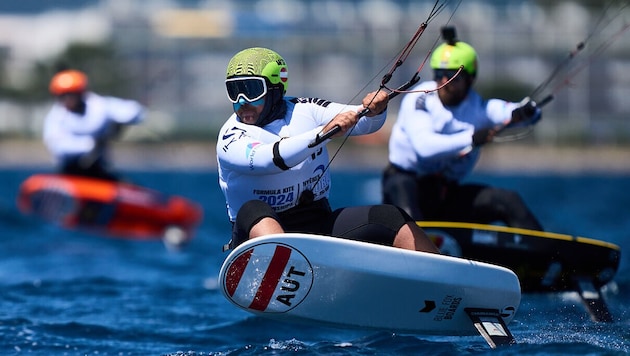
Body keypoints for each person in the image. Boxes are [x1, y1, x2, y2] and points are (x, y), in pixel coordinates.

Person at [217, 47, 439, 254]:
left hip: (315, 222)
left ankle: (444, 278)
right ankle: (286, 264)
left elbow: (363, 122)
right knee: (253, 209)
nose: (242, 101)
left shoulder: (306, 109)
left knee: (390, 217)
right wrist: (323, 133)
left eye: (252, 90)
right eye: (234, 91)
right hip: (255, 234)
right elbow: (271, 159)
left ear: (275, 89)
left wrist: (376, 109)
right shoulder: (231, 136)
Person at [382, 27, 543, 231]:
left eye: (452, 77)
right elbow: (424, 148)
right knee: (409, 210)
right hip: (405, 187)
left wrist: (526, 113)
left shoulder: (478, 108)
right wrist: (472, 138)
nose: (444, 82)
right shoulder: (419, 98)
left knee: (508, 200)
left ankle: (545, 258)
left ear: (470, 79)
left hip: (445, 195)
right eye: (439, 74)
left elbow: (510, 112)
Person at [43, 69, 145, 181]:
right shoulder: (55, 117)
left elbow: (134, 111)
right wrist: (91, 144)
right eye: (62, 96)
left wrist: (123, 121)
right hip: (69, 173)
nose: (67, 99)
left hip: (98, 171)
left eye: (71, 94)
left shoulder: (98, 106)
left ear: (80, 93)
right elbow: (59, 146)